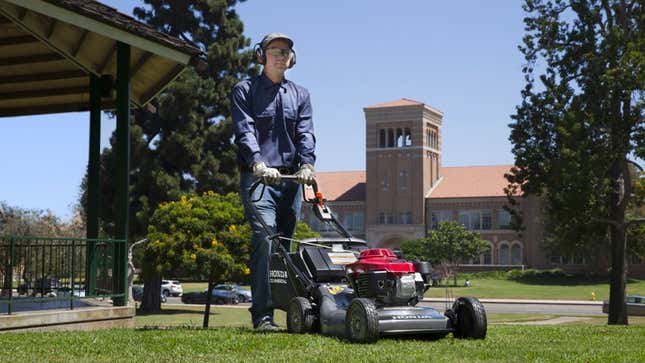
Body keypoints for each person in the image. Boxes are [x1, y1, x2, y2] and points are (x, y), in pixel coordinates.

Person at [231, 32, 316, 332]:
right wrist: (257, 161)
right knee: (264, 240)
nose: (281, 55)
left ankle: (294, 311)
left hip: (291, 180)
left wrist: (307, 164)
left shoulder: (301, 94)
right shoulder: (245, 90)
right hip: (259, 179)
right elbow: (245, 130)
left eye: (286, 51)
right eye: (275, 50)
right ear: (261, 55)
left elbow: (305, 133)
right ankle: (263, 317)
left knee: (284, 247)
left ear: (292, 59)